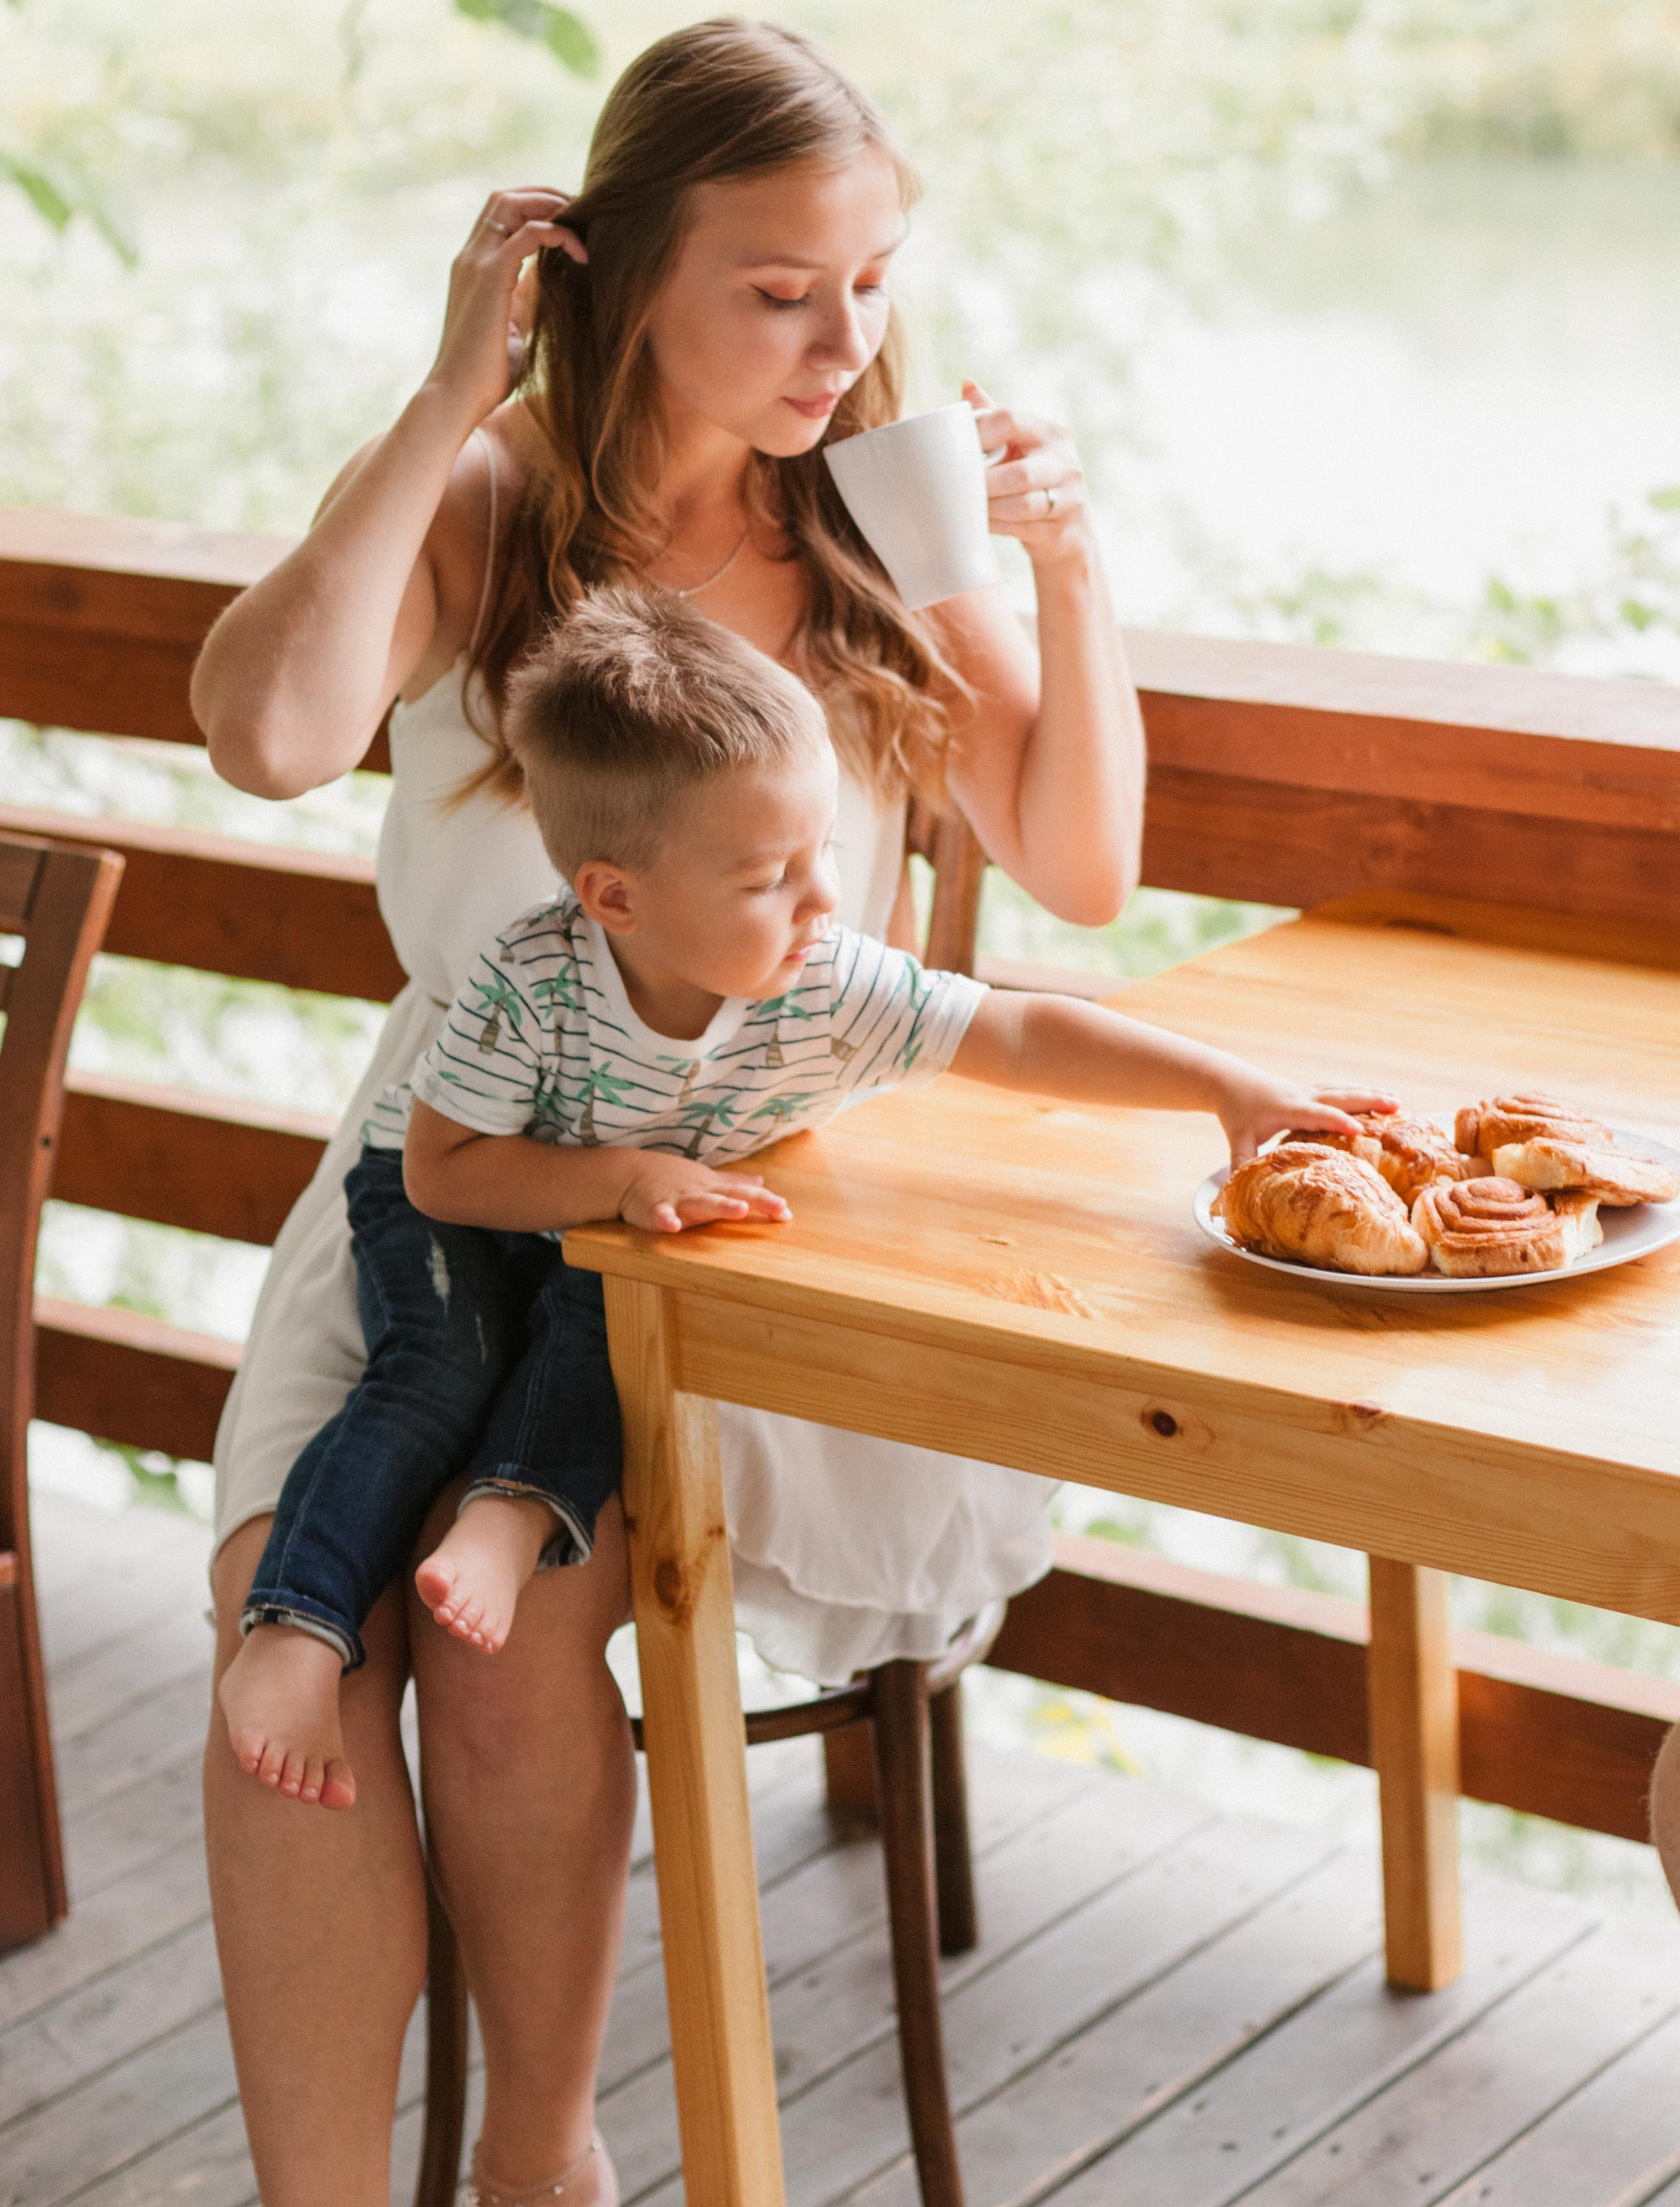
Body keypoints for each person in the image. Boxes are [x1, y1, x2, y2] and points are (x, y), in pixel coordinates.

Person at [188, 14, 1152, 2207]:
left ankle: (535, 2205)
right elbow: (267, 729)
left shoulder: (876, 521)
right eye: (782, 291)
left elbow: (1075, 863)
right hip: (439, 1177)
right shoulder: (488, 517)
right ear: (605, 271)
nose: (845, 346)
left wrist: (1068, 570)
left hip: (724, 1212)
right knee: (287, 1626)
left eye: (871, 290)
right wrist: (436, 394)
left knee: (502, 1658)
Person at [222, 584, 1375, 1814]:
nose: (826, 900)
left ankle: (508, 1517)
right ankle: (291, 1631)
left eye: (823, 852)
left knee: (603, 1326)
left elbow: (1023, 1037)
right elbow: (442, 1170)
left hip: (603, 1224)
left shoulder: (820, 978)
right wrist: (621, 1175)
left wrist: (1227, 1091)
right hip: (450, 1195)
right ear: (616, 897)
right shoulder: (534, 982)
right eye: (773, 875)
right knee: (436, 1369)